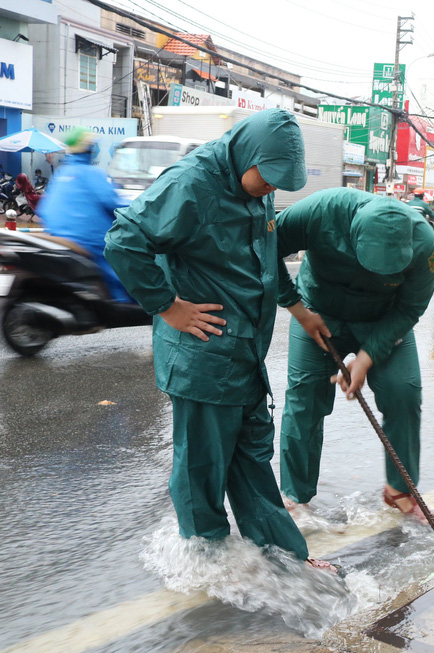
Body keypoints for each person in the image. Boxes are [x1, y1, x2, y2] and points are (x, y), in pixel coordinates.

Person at [104, 109, 333, 570]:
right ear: (247, 154)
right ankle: (205, 559)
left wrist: (299, 311)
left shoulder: (255, 187)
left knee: (250, 452)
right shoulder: (191, 184)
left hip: (245, 350)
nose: (270, 189)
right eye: (266, 178)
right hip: (204, 352)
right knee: (203, 463)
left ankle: (282, 556)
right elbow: (124, 240)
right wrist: (168, 306)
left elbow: (264, 262)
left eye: (278, 183)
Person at [275, 188, 434, 518]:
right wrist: (297, 309)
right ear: (353, 234)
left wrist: (365, 358)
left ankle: (399, 489)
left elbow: (410, 308)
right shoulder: (320, 210)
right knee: (305, 397)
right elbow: (264, 248)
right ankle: (295, 496)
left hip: (383, 320)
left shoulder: (425, 244)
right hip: (316, 311)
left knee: (403, 390)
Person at [38, 128, 132, 302]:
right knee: (121, 266)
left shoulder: (61, 173)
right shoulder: (92, 173)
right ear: (88, 149)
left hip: (59, 238)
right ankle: (125, 306)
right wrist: (139, 209)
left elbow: (44, 209)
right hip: (90, 241)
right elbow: (114, 203)